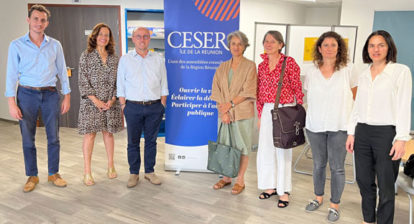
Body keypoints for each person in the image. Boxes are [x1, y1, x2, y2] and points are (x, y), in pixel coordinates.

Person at [346, 30, 412, 224]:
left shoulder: (400, 71)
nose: (376, 49)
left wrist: (401, 138)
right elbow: (357, 105)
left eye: (381, 45)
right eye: (372, 45)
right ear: (367, 49)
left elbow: (403, 106)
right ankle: (368, 220)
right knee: (364, 182)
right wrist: (351, 132)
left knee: (385, 185)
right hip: (363, 132)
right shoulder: (364, 73)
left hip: (386, 133)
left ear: (389, 47)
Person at [5, 4, 71, 192]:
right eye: (35, 19)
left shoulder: (55, 45)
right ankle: (32, 175)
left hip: (50, 94)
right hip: (26, 94)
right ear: (28, 20)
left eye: (42, 20)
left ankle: (53, 173)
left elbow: (62, 71)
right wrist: (11, 102)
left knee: (54, 137)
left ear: (47, 23)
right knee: (28, 138)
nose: (39, 23)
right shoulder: (16, 45)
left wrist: (66, 95)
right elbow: (11, 75)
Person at [303, 31, 358, 222]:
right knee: (318, 165)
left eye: (333, 45)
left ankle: (334, 205)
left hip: (340, 126)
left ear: (339, 48)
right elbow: (311, 96)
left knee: (337, 168)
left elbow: (356, 98)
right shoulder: (311, 71)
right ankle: (318, 197)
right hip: (315, 125)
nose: (329, 48)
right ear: (319, 48)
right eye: (325, 45)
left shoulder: (348, 70)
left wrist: (353, 127)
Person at [256, 30, 304, 208]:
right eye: (266, 41)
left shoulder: (289, 63)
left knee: (283, 151)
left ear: (280, 44)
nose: (268, 44)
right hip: (267, 110)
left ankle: (283, 191)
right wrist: (260, 115)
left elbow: (297, 88)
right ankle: (270, 186)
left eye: (273, 41)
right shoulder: (261, 65)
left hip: (284, 111)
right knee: (266, 150)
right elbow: (259, 92)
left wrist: (298, 112)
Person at [117, 27, 168, 188]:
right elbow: (121, 84)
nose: (142, 39)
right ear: (133, 38)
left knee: (151, 141)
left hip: (154, 107)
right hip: (132, 107)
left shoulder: (158, 59)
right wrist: (124, 105)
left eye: (145, 36)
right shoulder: (125, 60)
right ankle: (133, 173)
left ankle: (149, 172)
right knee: (132, 142)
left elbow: (164, 83)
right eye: (138, 36)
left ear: (149, 38)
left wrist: (162, 104)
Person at [210, 30, 257, 195]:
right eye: (233, 44)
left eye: (239, 44)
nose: (236, 47)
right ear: (229, 46)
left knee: (242, 146)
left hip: (243, 113)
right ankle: (226, 177)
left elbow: (248, 90)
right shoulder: (222, 67)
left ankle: (241, 180)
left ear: (244, 46)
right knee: (225, 145)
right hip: (224, 114)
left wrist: (229, 105)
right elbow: (216, 90)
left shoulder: (250, 66)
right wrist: (223, 111)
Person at [78, 23, 123, 186]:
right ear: (95, 36)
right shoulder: (86, 55)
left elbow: (119, 81)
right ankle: (87, 172)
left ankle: (111, 166)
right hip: (91, 103)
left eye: (107, 35)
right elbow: (83, 81)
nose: (104, 37)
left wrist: (112, 100)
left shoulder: (114, 58)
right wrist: (96, 100)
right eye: (101, 34)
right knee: (90, 135)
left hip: (110, 103)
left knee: (108, 133)